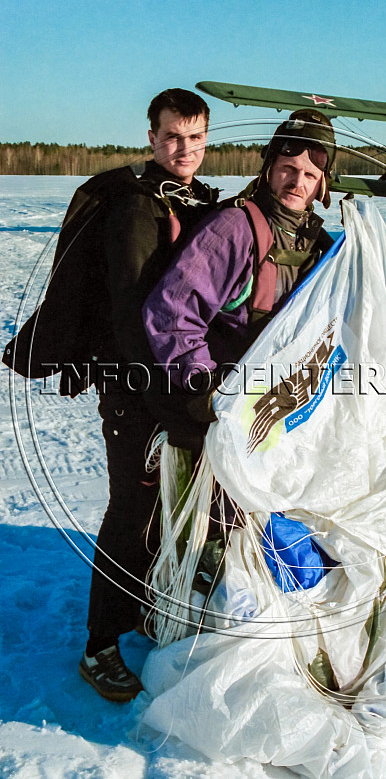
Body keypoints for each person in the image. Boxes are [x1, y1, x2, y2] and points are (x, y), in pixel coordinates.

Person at [77, 88, 219, 702]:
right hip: (136, 389)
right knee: (131, 513)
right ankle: (99, 647)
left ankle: (144, 608)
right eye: (170, 136)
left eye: (194, 138)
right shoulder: (137, 210)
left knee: (167, 507)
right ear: (151, 138)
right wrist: (167, 399)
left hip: (174, 386)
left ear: (206, 140)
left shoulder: (196, 201)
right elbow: (135, 316)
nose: (182, 148)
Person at [142, 109, 337, 447]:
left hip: (286, 415)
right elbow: (171, 310)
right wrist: (206, 383)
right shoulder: (233, 229)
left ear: (322, 184)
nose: (297, 182)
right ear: (269, 170)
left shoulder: (321, 246)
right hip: (228, 418)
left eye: (309, 174)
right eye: (288, 169)